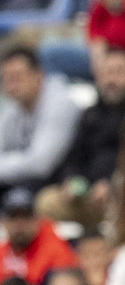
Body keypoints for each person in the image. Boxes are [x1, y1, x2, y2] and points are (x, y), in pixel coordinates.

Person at [0, 48, 82, 197]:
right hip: (22, 180)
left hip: (60, 182)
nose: (10, 85)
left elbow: (41, 164)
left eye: (16, 78)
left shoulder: (60, 104)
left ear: (39, 75)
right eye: (5, 78)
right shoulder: (11, 105)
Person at [38, 46, 125, 229]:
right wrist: (71, 181)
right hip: (88, 195)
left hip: (119, 196)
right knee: (45, 201)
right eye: (107, 72)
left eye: (119, 72)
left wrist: (112, 185)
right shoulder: (89, 114)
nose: (112, 80)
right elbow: (74, 156)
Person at [0, 187, 78, 285]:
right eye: (13, 217)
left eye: (26, 216)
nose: (20, 223)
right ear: (2, 222)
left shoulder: (57, 252)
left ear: (38, 220)